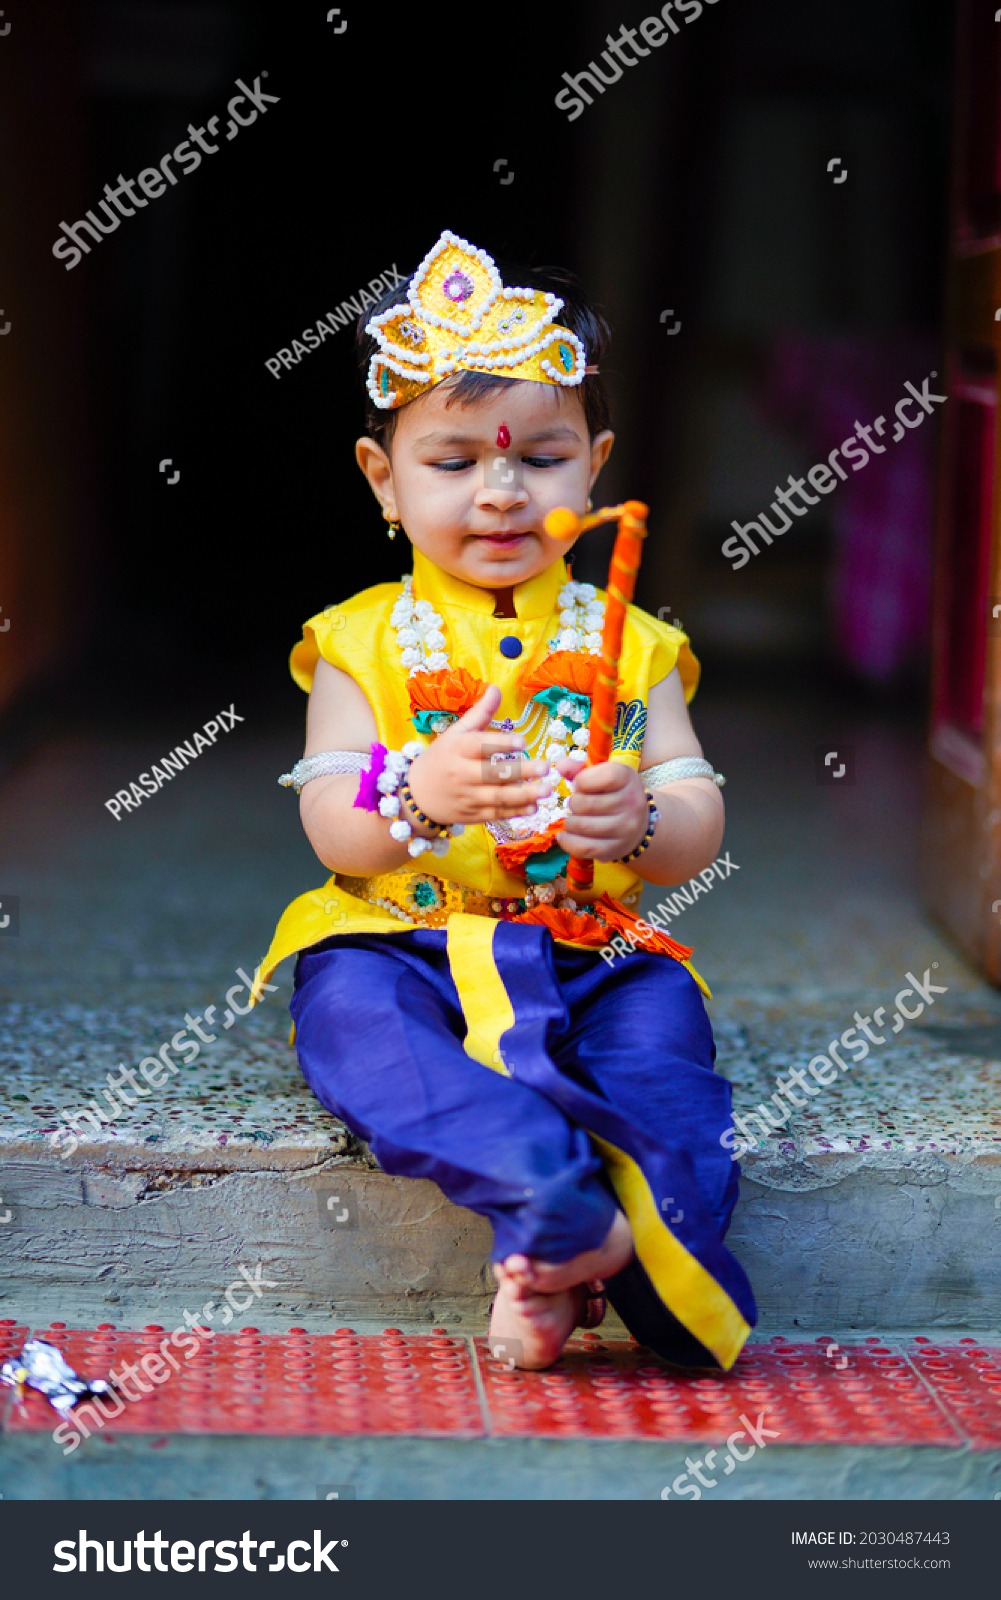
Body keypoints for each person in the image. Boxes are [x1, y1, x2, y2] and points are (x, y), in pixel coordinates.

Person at [253, 229, 756, 1371]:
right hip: (400, 936)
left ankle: (642, 1278)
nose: (499, 491)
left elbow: (692, 817)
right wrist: (417, 796)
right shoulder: (359, 640)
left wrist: (636, 821)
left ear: (594, 466)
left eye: (539, 458)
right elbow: (332, 818)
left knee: (668, 1078)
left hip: (593, 943)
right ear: (381, 479)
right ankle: (555, 1213)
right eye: (451, 463)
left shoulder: (631, 643)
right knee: (363, 1040)